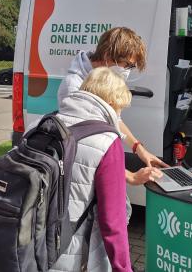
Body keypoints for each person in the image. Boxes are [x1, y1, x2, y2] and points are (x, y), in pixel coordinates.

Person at [57, 27, 167, 185]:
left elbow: (115, 119)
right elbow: (85, 147)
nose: (127, 71)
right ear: (108, 56)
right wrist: (130, 177)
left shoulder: (106, 76)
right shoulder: (73, 86)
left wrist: (140, 150)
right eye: (126, 65)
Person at [50, 67, 135, 272]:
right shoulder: (107, 141)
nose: (119, 114)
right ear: (112, 102)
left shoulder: (45, 123)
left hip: (33, 244)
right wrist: (123, 268)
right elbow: (113, 221)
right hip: (70, 252)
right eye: (120, 108)